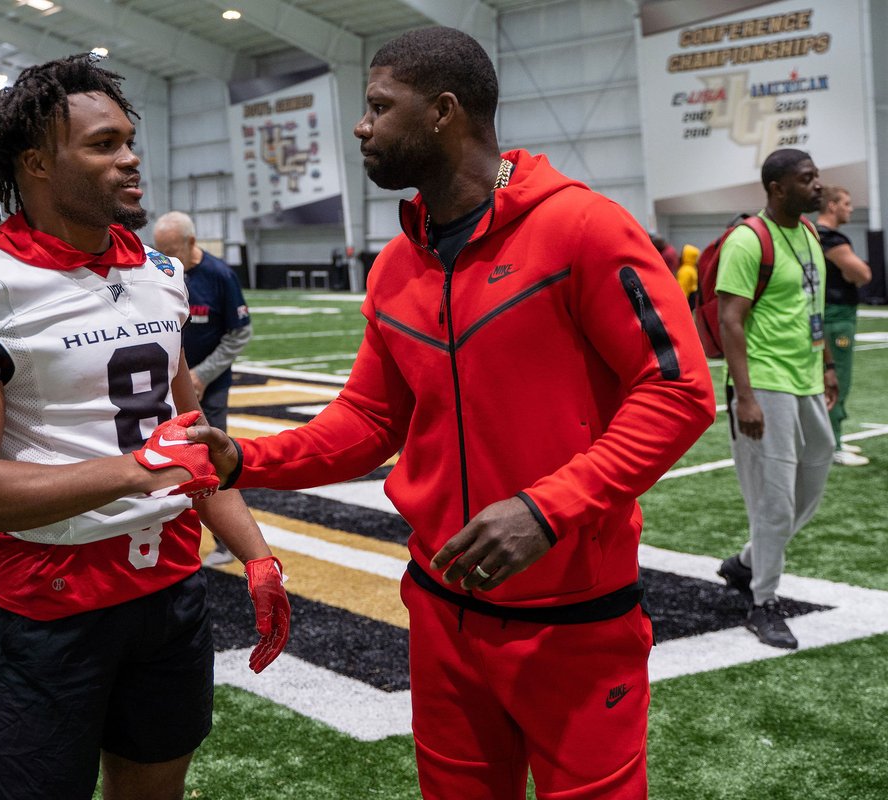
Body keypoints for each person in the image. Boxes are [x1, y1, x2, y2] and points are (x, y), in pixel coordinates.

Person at [188, 27, 713, 800]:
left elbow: (679, 392)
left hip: (575, 621)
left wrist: (547, 509)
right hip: (438, 615)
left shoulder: (583, 229)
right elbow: (370, 419)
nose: (361, 127)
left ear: (441, 111)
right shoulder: (400, 262)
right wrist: (245, 460)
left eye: (376, 106)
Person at [0, 53, 290, 800]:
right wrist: (137, 471)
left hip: (170, 587)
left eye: (128, 140)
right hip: (55, 601)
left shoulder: (158, 271)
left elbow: (189, 438)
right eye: (103, 144)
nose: (129, 157)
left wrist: (255, 554)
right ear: (36, 163)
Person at [715, 148, 838, 650]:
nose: (818, 186)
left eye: (817, 177)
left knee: (814, 477)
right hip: (764, 384)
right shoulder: (748, 240)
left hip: (806, 379)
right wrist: (745, 397)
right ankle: (763, 603)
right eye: (807, 179)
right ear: (776, 188)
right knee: (774, 501)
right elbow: (730, 320)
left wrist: (827, 364)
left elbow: (812, 306)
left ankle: (745, 563)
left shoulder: (808, 234)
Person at [153, 210, 252, 567]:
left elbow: (240, 332)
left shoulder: (220, 276)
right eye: (159, 249)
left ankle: (226, 541)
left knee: (211, 458)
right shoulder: (159, 274)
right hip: (166, 386)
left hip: (209, 386)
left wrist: (203, 374)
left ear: (191, 243)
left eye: (171, 249)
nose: (164, 257)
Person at [815, 184, 872, 466]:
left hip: (830, 314)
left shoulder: (814, 236)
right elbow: (862, 273)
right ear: (832, 206)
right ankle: (833, 444)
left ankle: (831, 438)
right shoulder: (830, 239)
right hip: (836, 318)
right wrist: (854, 273)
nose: (850, 209)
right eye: (846, 204)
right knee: (837, 379)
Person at [677, 243, 700, 309]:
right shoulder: (693, 268)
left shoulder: (685, 271)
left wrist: (680, 307)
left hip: (687, 303)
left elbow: (682, 290)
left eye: (682, 253)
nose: (680, 256)